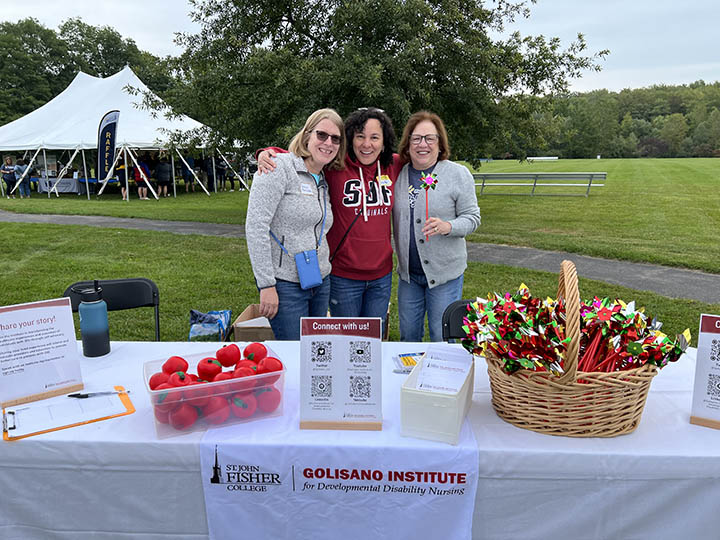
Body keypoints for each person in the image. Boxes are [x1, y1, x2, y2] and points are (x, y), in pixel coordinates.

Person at [259, 108, 404, 336]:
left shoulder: (393, 165)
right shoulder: (336, 165)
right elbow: (304, 155)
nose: (367, 144)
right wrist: (267, 152)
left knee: (373, 343)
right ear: (350, 140)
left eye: (375, 137)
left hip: (381, 276)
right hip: (343, 276)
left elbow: (421, 154)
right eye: (360, 136)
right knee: (344, 343)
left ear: (385, 142)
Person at [246, 108, 346, 340]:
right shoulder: (277, 167)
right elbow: (255, 227)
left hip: (320, 281)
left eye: (335, 139)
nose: (328, 143)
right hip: (285, 285)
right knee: (294, 353)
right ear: (307, 135)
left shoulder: (324, 178)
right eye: (321, 135)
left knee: (314, 354)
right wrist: (266, 285)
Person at [392, 111, 481, 342]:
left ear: (440, 143)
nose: (423, 144)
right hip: (408, 277)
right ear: (408, 143)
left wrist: (448, 226)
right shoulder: (398, 175)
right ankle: (411, 378)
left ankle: (442, 379)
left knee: (443, 337)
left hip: (444, 276)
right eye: (416, 138)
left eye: (430, 138)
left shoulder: (457, 174)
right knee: (408, 336)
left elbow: (472, 217)